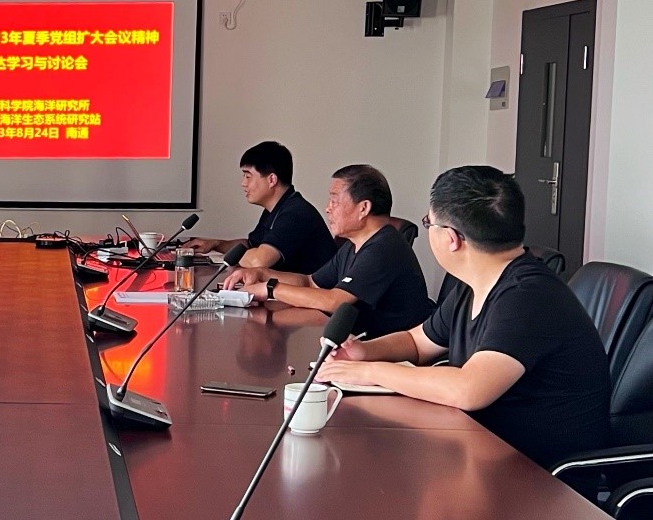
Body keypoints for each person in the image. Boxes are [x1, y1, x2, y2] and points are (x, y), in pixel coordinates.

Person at [317, 166, 610, 468]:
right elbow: (418, 342)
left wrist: (369, 372)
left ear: (451, 238)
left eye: (428, 223)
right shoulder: (475, 284)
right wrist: (364, 351)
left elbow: (469, 389)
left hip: (536, 475)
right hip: (480, 449)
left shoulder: (528, 297)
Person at [227, 164, 432, 338]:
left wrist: (271, 288)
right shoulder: (354, 244)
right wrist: (262, 274)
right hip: (357, 344)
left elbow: (335, 301)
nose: (327, 208)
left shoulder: (384, 247)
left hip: (390, 356)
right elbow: (310, 282)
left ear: (363, 208)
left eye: (335, 201)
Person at [188, 141, 336, 273]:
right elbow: (250, 245)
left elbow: (259, 260)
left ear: (272, 180)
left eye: (248, 176)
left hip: (313, 294)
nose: (243, 183)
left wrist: (228, 257)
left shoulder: (295, 213)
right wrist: (215, 244)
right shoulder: (277, 208)